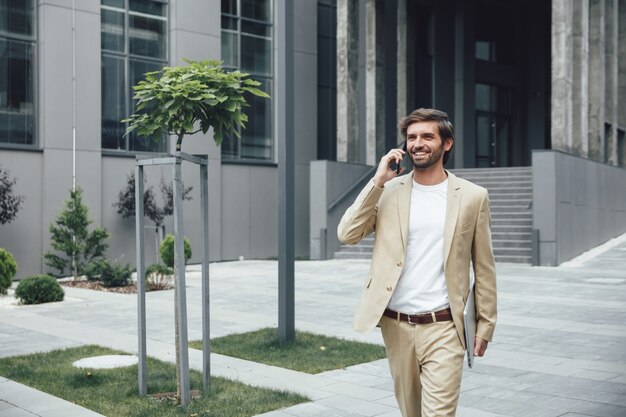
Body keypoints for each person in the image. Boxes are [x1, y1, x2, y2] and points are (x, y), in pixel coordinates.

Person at [337, 108, 497, 417]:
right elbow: (347, 233)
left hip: (445, 327)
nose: (417, 144)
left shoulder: (473, 196)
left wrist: (485, 325)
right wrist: (377, 182)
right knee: (410, 412)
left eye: (427, 136)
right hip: (396, 325)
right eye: (411, 137)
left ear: (446, 144)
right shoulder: (388, 191)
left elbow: (485, 266)